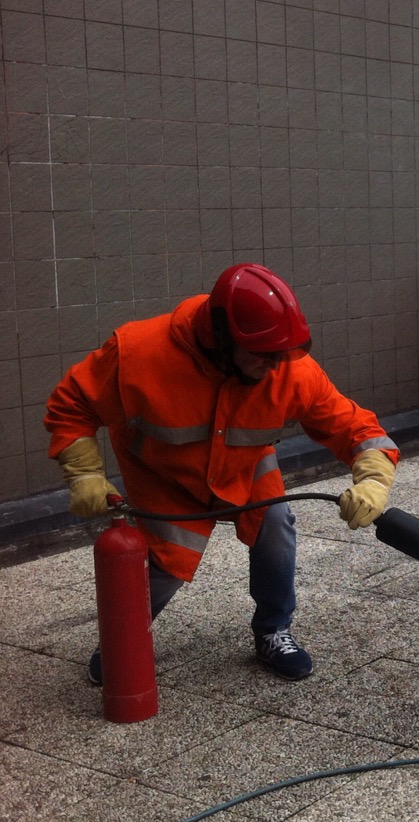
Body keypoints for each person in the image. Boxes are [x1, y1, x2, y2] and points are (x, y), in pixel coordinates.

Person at [45, 263, 400, 682]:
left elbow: (356, 428)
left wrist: (374, 480)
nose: (274, 365)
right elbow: (71, 404)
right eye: (263, 355)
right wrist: (84, 473)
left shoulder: (289, 368)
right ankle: (123, 643)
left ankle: (273, 630)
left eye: (280, 354)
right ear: (221, 338)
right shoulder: (137, 353)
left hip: (245, 467)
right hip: (166, 476)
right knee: (164, 566)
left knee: (275, 523)